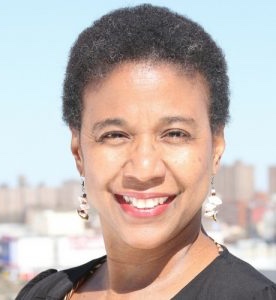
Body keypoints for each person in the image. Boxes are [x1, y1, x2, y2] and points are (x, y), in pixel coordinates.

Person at [16, 4, 276, 300]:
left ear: (216, 148)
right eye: (114, 135)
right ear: (78, 153)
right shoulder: (44, 293)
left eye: (175, 134)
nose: (143, 168)